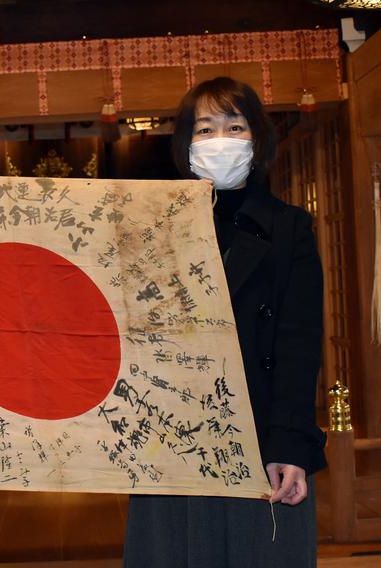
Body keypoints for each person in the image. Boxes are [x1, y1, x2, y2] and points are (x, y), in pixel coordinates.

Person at [123, 77, 327, 567]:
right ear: (185, 144)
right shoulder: (153, 225)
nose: (220, 140)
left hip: (260, 440)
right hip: (170, 439)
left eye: (234, 126)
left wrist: (290, 444)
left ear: (256, 139)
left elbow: (300, 344)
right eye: (205, 128)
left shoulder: (289, 227)